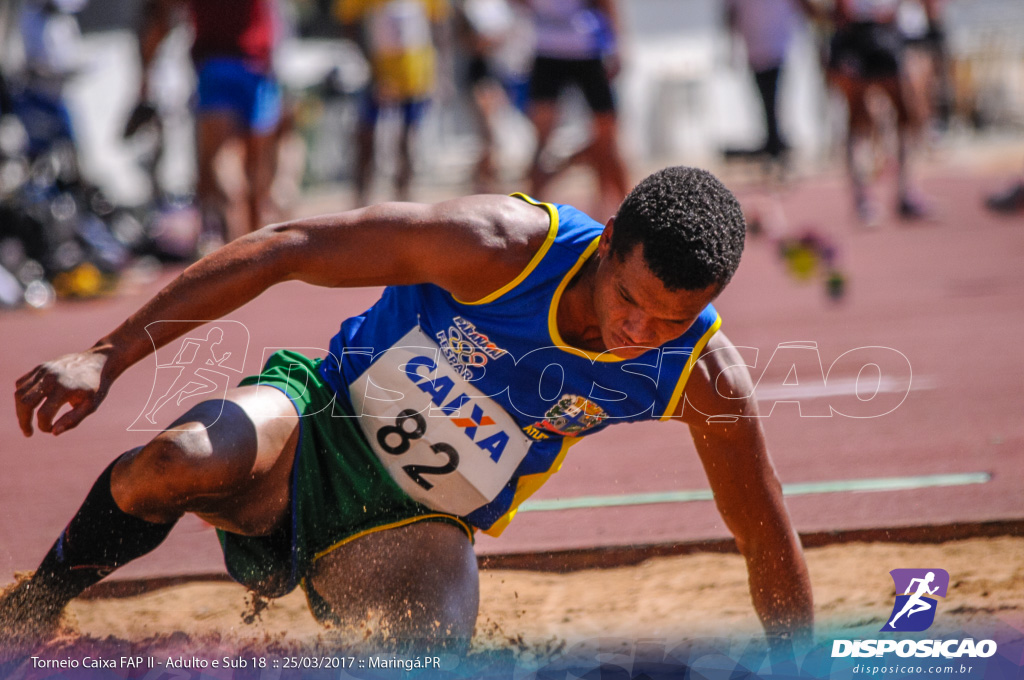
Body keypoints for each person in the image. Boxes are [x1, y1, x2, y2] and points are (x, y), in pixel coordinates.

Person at [4, 167, 813, 654]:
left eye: (672, 320)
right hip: (315, 423)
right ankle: (31, 611)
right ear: (604, 245)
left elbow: (763, 530)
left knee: (426, 659)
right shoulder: (496, 245)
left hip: (412, 525)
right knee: (174, 462)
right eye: (630, 300)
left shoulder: (701, 374)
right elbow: (287, 247)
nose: (641, 332)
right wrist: (106, 354)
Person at [128, 0, 284, 253]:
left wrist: (146, 74)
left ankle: (245, 258)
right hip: (253, 68)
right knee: (250, 175)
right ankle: (253, 256)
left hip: (226, 67)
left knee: (229, 167)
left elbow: (161, 16)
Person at [825, 0, 942, 225]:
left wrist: (931, 26)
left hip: (886, 32)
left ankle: (904, 192)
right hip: (856, 34)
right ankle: (863, 199)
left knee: (907, 114)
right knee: (858, 118)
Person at [521, 0, 629, 220]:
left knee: (606, 136)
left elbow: (607, 4)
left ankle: (622, 212)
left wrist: (617, 45)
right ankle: (530, 213)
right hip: (547, 49)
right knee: (541, 139)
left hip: (587, 49)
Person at [335, 0, 450, 206]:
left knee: (406, 142)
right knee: (366, 138)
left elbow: (438, 26)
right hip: (375, 73)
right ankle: (361, 204)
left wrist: (441, 71)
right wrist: (371, 69)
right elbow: (349, 25)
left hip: (416, 75)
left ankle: (404, 204)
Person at [724, 0, 816, 162]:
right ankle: (773, 142)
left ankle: (775, 142)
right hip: (758, 48)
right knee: (768, 101)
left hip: (775, 47)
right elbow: (730, 13)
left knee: (773, 100)